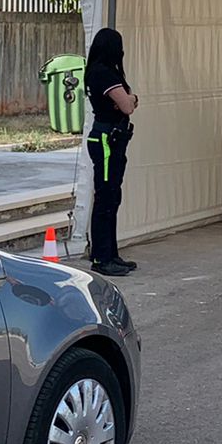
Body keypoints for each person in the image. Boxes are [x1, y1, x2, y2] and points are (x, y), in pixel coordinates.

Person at [83, 27, 138, 276]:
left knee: (112, 196)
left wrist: (127, 100)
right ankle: (101, 257)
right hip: (106, 139)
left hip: (112, 139)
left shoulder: (99, 71)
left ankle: (110, 253)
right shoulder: (104, 74)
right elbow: (127, 105)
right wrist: (132, 98)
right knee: (106, 197)